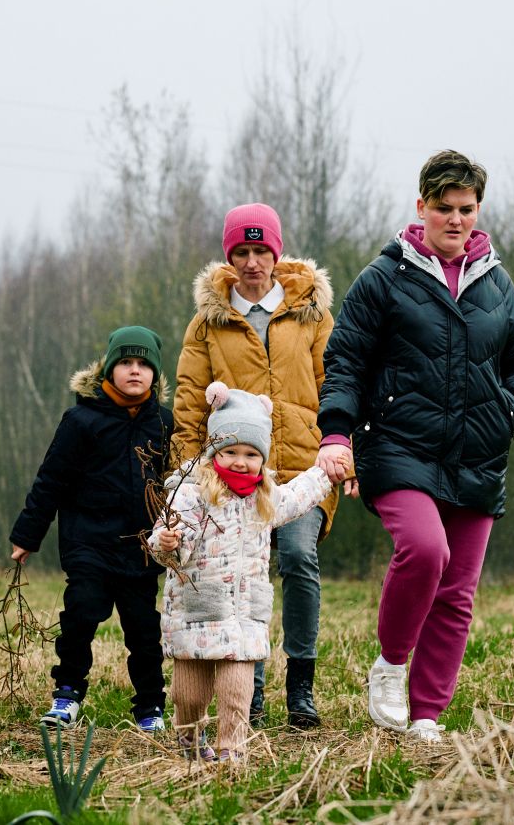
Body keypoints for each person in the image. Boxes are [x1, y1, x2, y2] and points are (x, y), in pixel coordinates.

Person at [315, 150, 514, 743]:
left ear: (478, 210)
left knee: (457, 594)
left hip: (478, 455)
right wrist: (336, 433)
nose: (456, 219)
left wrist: (510, 407)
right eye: (444, 208)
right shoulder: (384, 278)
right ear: (422, 207)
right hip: (398, 447)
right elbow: (345, 361)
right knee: (424, 550)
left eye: (466, 209)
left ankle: (426, 717)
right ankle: (391, 665)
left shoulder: (496, 282)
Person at [172, 202, 346, 728]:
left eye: (261, 251)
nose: (252, 263)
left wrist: (344, 451)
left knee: (297, 556)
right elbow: (189, 401)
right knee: (243, 574)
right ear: (230, 256)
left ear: (277, 253)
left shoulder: (311, 314)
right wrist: (185, 478)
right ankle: (249, 687)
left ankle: (301, 687)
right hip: (231, 475)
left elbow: (335, 384)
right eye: (242, 252)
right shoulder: (208, 323)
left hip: (302, 467)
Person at [149, 382, 333, 763]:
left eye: (250, 454)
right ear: (214, 450)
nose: (240, 461)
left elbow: (297, 497)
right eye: (230, 451)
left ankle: (231, 749)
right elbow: (171, 537)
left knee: (237, 690)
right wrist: (168, 542)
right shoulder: (193, 492)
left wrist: (325, 474)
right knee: (190, 695)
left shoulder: (264, 496)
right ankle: (189, 740)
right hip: (198, 610)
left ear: (262, 458)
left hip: (244, 613)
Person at [9, 326, 172, 731]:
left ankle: (150, 708)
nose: (134, 370)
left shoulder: (164, 423)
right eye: (125, 362)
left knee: (144, 631)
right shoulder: (81, 420)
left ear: (154, 373)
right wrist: (28, 535)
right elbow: (51, 479)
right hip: (88, 541)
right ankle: (66, 695)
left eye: (143, 364)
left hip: (142, 547)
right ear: (108, 368)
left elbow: (179, 483)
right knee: (80, 614)